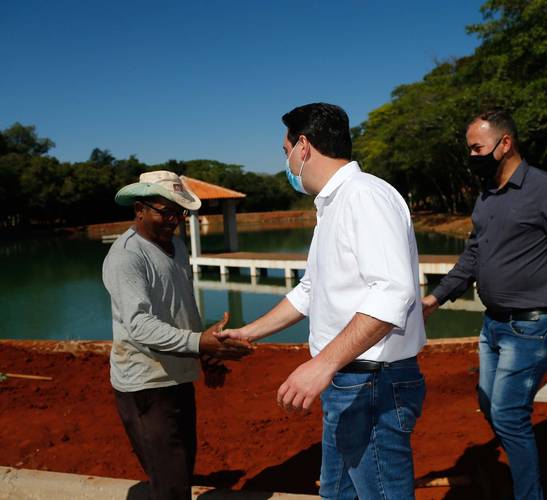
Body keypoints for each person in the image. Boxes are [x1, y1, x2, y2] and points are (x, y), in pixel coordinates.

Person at [217, 103, 427, 499]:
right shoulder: (332, 206)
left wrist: (322, 365)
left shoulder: (364, 197)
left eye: (285, 153)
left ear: (303, 146)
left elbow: (393, 292)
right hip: (348, 382)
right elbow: (311, 291)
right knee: (337, 493)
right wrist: (248, 332)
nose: (287, 163)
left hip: (371, 383)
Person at [421, 109, 547, 499]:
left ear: (505, 144)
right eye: (469, 149)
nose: (472, 157)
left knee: (507, 413)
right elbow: (473, 256)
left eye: (478, 148)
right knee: (490, 405)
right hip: (494, 324)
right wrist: (436, 297)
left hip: (535, 325)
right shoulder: (487, 197)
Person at [103, 171, 252, 500]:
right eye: (165, 212)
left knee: (180, 467)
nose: (175, 220)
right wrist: (199, 343)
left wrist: (206, 355)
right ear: (139, 209)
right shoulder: (128, 256)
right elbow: (139, 325)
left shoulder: (176, 246)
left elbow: (183, 306)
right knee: (170, 481)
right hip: (145, 385)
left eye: (180, 213)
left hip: (177, 378)